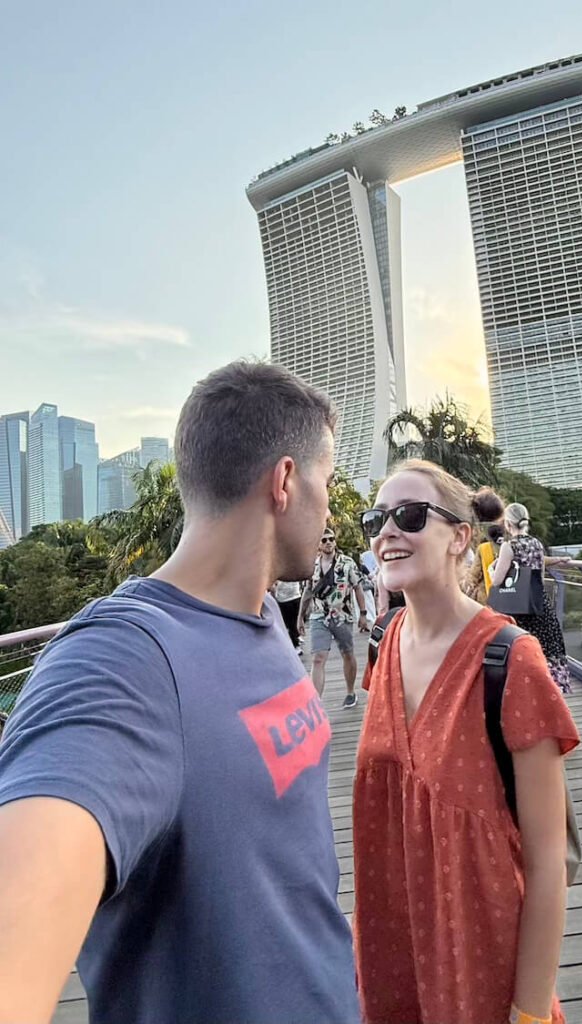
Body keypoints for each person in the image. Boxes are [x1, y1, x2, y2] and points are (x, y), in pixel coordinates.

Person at [0, 360, 360, 1024]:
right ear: (285, 481)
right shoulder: (123, 661)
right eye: (327, 482)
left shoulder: (259, 619)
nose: (330, 506)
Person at [354, 459, 580, 1024]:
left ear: (460, 537)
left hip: (482, 968)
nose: (387, 531)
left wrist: (527, 1011)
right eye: (377, 518)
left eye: (409, 515)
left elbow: (549, 861)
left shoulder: (510, 659)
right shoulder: (384, 646)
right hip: (393, 961)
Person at [492, 502, 573, 694]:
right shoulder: (537, 543)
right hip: (538, 604)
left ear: (508, 524)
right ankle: (550, 688)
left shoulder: (508, 546)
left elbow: (497, 581)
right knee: (546, 648)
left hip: (517, 609)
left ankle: (525, 690)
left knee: (520, 649)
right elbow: (540, 576)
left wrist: (492, 569)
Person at [298, 529, 369, 707]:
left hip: (342, 616)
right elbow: (307, 591)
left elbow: (358, 588)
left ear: (335, 542)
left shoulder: (347, 563)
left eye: (331, 539)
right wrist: (300, 616)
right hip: (318, 615)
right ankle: (317, 703)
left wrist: (363, 614)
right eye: (324, 540)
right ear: (319, 545)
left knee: (347, 653)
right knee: (318, 657)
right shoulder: (312, 566)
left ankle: (351, 691)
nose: (328, 542)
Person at [272, 578, 303, 650]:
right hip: (284, 599)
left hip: (295, 595)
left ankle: (297, 636)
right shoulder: (278, 569)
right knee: (290, 623)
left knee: (296, 620)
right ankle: (295, 644)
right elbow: (272, 585)